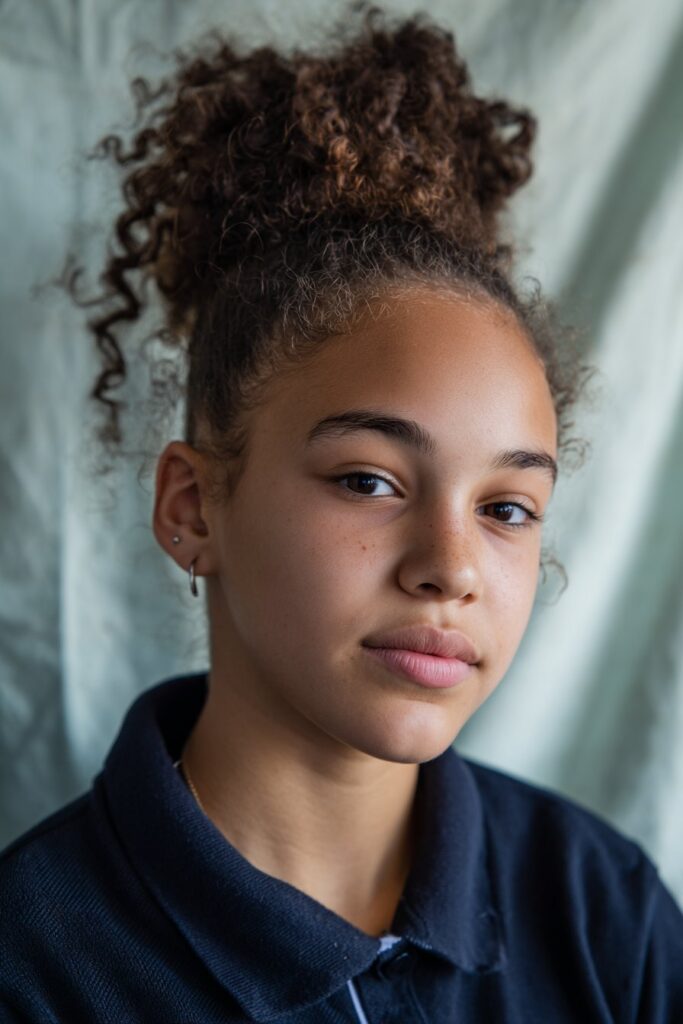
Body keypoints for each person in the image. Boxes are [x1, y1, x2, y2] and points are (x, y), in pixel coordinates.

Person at [1, 7, 682, 1023]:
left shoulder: (600, 908)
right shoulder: (33, 964)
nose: (448, 565)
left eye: (505, 505)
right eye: (369, 480)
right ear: (192, 507)